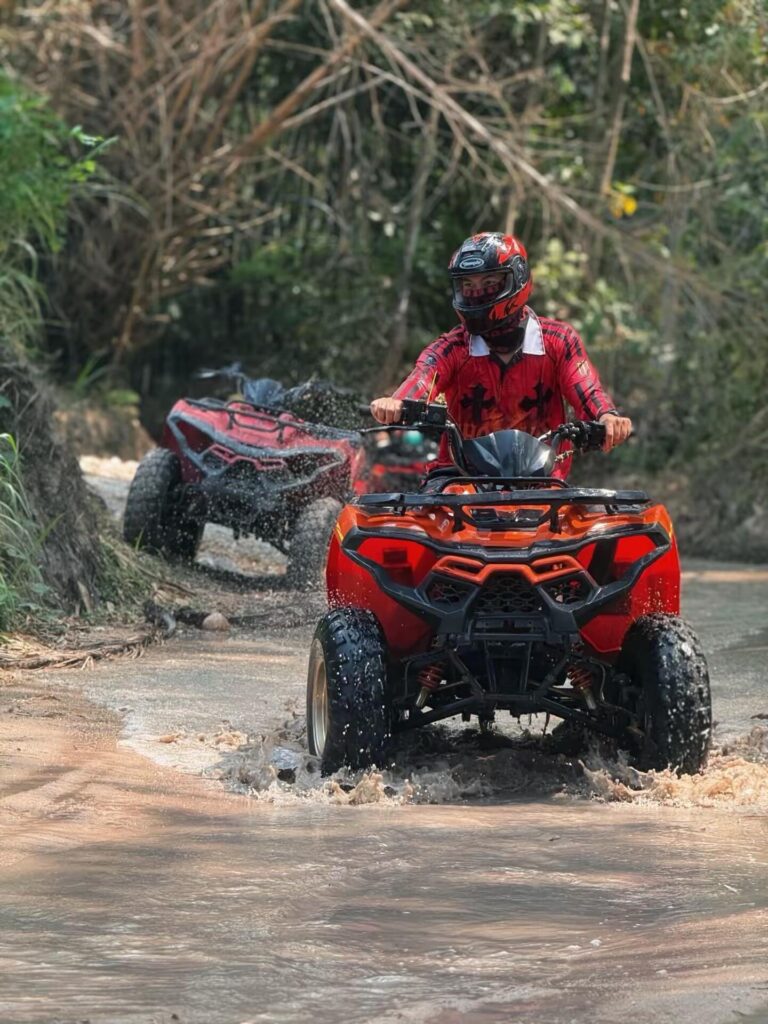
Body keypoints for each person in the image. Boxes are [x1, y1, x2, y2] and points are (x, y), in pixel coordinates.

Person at [370, 232, 632, 480]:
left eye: (489, 283)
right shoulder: (452, 347)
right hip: (457, 483)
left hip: (542, 486)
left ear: (516, 280)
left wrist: (606, 417)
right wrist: (398, 403)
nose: (477, 293)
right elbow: (423, 377)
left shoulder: (558, 341)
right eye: (468, 285)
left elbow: (587, 390)